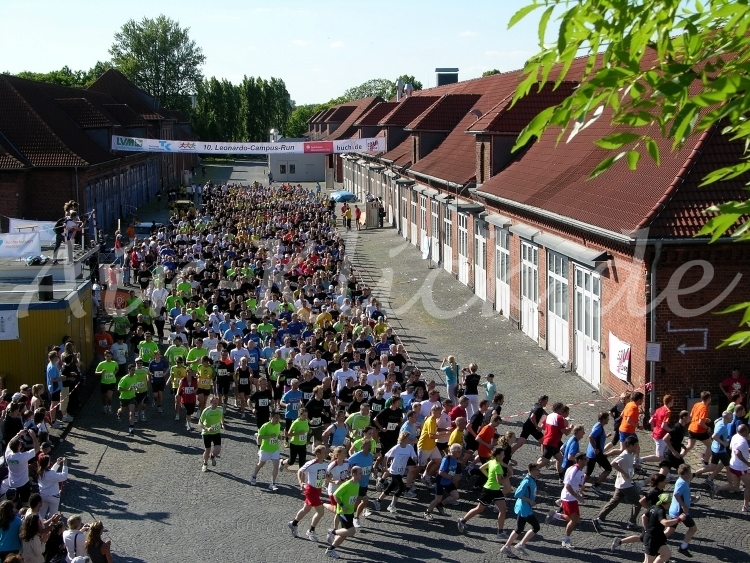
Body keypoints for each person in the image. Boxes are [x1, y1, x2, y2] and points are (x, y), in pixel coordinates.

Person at [592, 435, 642, 533]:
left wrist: (634, 465)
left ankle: (599, 519)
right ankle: (632, 523)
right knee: (638, 502)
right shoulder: (625, 454)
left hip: (621, 484)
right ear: (630, 445)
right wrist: (623, 473)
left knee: (613, 502)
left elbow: (626, 464)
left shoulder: (629, 454)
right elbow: (613, 463)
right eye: (635, 445)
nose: (637, 447)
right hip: (625, 485)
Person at [457, 446, 508, 539]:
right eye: (502, 454)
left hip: (496, 490)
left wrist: (488, 476)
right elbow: (499, 481)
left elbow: (481, 468)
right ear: (498, 456)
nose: (504, 456)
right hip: (489, 490)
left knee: (503, 509)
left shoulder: (492, 461)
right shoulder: (497, 467)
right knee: (479, 509)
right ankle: (462, 520)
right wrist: (509, 476)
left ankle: (500, 532)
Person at [546, 452, 587, 550]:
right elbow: (567, 485)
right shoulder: (574, 470)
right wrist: (577, 496)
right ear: (580, 460)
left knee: (576, 519)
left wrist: (581, 490)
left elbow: (576, 484)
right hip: (569, 498)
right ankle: (566, 540)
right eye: (585, 459)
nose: (587, 461)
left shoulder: (578, 470)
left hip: (571, 498)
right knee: (574, 520)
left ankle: (555, 515)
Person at [288, 445, 329, 542]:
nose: (326, 454)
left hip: (318, 490)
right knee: (320, 512)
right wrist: (301, 483)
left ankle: (293, 524)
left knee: (306, 509)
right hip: (311, 491)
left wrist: (329, 477)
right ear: (318, 454)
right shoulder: (311, 463)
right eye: (324, 452)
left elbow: (325, 475)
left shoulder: (326, 464)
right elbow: (300, 471)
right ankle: (311, 530)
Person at [499, 463, 542, 557]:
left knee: (519, 528)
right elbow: (517, 494)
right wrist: (530, 501)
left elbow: (530, 491)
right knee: (536, 527)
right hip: (525, 508)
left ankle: (506, 547)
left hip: (523, 508)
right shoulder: (526, 481)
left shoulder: (532, 479)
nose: (539, 471)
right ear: (533, 470)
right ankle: (521, 545)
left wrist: (539, 492)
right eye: (538, 469)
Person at [325, 466, 363, 559]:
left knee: (344, 534)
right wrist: (342, 505)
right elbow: (336, 495)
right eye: (360, 473)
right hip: (343, 512)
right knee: (351, 531)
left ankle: (330, 550)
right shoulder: (346, 484)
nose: (362, 475)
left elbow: (352, 496)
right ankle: (332, 532)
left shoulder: (357, 484)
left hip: (350, 512)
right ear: (354, 474)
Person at [376, 431, 416, 514]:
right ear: (403, 439)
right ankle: (392, 505)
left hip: (401, 471)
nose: (409, 439)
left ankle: (378, 500)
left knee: (390, 488)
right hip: (394, 471)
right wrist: (384, 467)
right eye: (408, 438)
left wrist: (415, 458)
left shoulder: (409, 447)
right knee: (401, 487)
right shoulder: (396, 448)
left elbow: (414, 456)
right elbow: (386, 456)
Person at [714, 423, 750, 512]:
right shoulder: (743, 441)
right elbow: (738, 452)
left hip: (733, 465)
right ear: (745, 432)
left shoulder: (735, 436)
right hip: (741, 467)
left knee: (735, 486)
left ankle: (718, 488)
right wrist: (747, 463)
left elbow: (731, 448)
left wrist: (746, 450)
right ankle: (745, 506)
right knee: (748, 486)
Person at [666, 463, 698, 558]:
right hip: (680, 512)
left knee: (670, 530)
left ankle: (655, 542)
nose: (691, 473)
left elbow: (681, 494)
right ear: (686, 473)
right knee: (693, 528)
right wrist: (684, 506)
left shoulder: (681, 480)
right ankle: (683, 547)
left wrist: (690, 498)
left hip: (675, 510)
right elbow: (676, 494)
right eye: (690, 472)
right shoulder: (683, 483)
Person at [643, 493, 685, 563]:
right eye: (670, 503)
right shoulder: (661, 511)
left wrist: (646, 529)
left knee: (666, 554)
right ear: (667, 503)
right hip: (652, 539)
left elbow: (644, 517)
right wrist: (678, 519)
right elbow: (665, 523)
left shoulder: (653, 507)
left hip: (658, 538)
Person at [424, 443, 462, 520]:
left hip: (448, 481)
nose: (460, 453)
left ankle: (440, 505)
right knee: (438, 499)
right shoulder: (446, 459)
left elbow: (455, 471)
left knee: (455, 496)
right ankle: (427, 512)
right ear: (453, 452)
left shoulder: (456, 459)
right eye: (459, 451)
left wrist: (458, 476)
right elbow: (441, 472)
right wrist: (452, 477)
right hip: (440, 481)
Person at [5, 431, 40, 505]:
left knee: (13, 502)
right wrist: (33, 436)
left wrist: (18, 434)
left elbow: (10, 443)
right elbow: (37, 449)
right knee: (25, 502)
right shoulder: (23, 456)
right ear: (19, 446)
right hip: (24, 483)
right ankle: (23, 511)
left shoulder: (7, 455)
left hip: (12, 483)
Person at [252, 410, 282, 490]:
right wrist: (269, 436)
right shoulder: (265, 426)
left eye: (278, 418)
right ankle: (254, 476)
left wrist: (279, 436)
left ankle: (272, 483)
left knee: (276, 466)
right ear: (270, 418)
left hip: (275, 449)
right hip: (265, 449)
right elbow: (259, 437)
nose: (277, 420)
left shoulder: (278, 425)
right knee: (261, 464)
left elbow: (277, 434)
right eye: (276, 418)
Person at [197, 395, 224, 473]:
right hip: (207, 433)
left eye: (217, 403)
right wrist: (207, 428)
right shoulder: (206, 411)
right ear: (210, 403)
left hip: (216, 432)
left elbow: (222, 416)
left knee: (218, 450)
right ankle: (205, 464)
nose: (216, 405)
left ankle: (212, 456)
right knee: (207, 450)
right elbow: (199, 423)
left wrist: (222, 423)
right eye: (214, 403)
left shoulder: (220, 409)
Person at [684, 390, 713, 464]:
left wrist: (705, 419)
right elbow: (700, 422)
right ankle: (706, 462)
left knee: (689, 446)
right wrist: (707, 428)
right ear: (708, 399)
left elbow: (692, 415)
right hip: (699, 430)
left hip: (691, 428)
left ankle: (679, 456)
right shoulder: (705, 408)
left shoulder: (696, 404)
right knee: (710, 446)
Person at [116, 364, 138, 435]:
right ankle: (119, 412)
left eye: (134, 370)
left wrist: (136, 389)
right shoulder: (124, 378)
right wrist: (127, 390)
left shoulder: (135, 376)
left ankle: (131, 428)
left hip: (132, 397)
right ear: (128, 370)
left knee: (131, 412)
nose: (133, 371)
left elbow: (135, 384)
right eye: (132, 370)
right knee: (122, 410)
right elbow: (119, 389)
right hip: (124, 398)